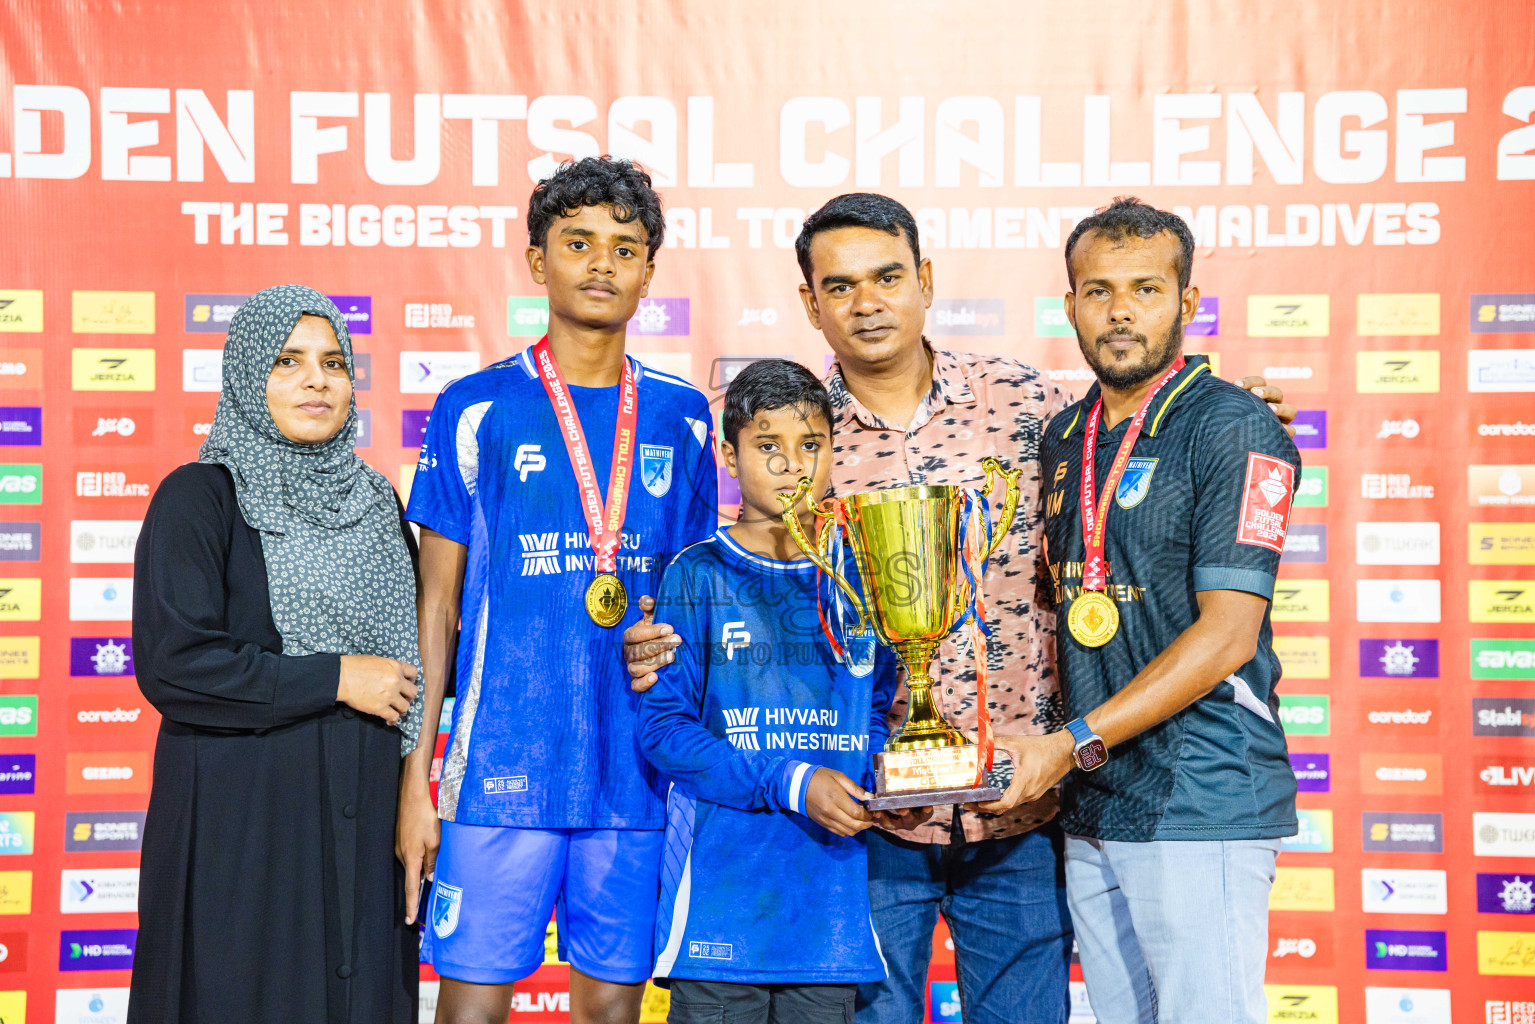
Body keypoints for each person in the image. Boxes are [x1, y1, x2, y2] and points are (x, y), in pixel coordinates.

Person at [625, 193, 1296, 1024]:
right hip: (866, 824)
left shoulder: (1028, 404)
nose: (867, 302)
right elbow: (717, 573)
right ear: (809, 304)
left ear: (925, 280)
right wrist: (655, 638)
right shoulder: (797, 434)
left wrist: (1235, 414)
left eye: (887, 277)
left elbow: (1135, 432)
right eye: (840, 287)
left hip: (1025, 806)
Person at [396, 156, 718, 1024]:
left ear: (650, 269)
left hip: (635, 771)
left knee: (613, 1010)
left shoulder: (685, 416)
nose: (601, 264)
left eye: (625, 247)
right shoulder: (475, 406)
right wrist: (412, 780)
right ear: (538, 260)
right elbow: (437, 610)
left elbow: (693, 605)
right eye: (578, 243)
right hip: (500, 762)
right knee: (469, 1011)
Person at [986, 197, 1301, 1024]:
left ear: (1187, 302)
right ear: (1070, 306)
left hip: (1200, 797)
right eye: (1097, 292)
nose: (1119, 311)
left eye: (1145, 289)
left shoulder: (1237, 427)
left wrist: (1070, 742)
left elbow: (1228, 634)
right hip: (1095, 801)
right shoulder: (1061, 437)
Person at [129, 285, 423, 1024]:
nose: (316, 380)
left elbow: (411, 660)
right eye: (286, 361)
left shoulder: (376, 501)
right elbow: (177, 664)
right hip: (244, 830)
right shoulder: (199, 499)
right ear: (244, 376)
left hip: (363, 820)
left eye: (333, 362)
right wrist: (335, 677)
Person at [638, 359, 928, 1024]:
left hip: (828, 912)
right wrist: (795, 781)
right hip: (720, 900)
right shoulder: (696, 572)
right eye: (767, 446)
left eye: (810, 446)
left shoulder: (866, 573)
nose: (792, 466)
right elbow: (663, 732)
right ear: (728, 455)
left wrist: (893, 778)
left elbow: (882, 711)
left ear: (834, 450)